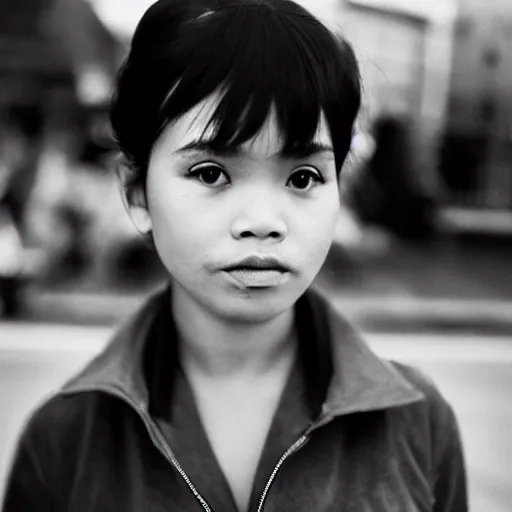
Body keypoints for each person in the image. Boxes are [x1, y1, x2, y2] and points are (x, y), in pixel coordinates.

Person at [2, 1, 467, 511]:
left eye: (303, 177)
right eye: (210, 173)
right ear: (138, 193)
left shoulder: (419, 422)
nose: (263, 220)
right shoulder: (64, 441)